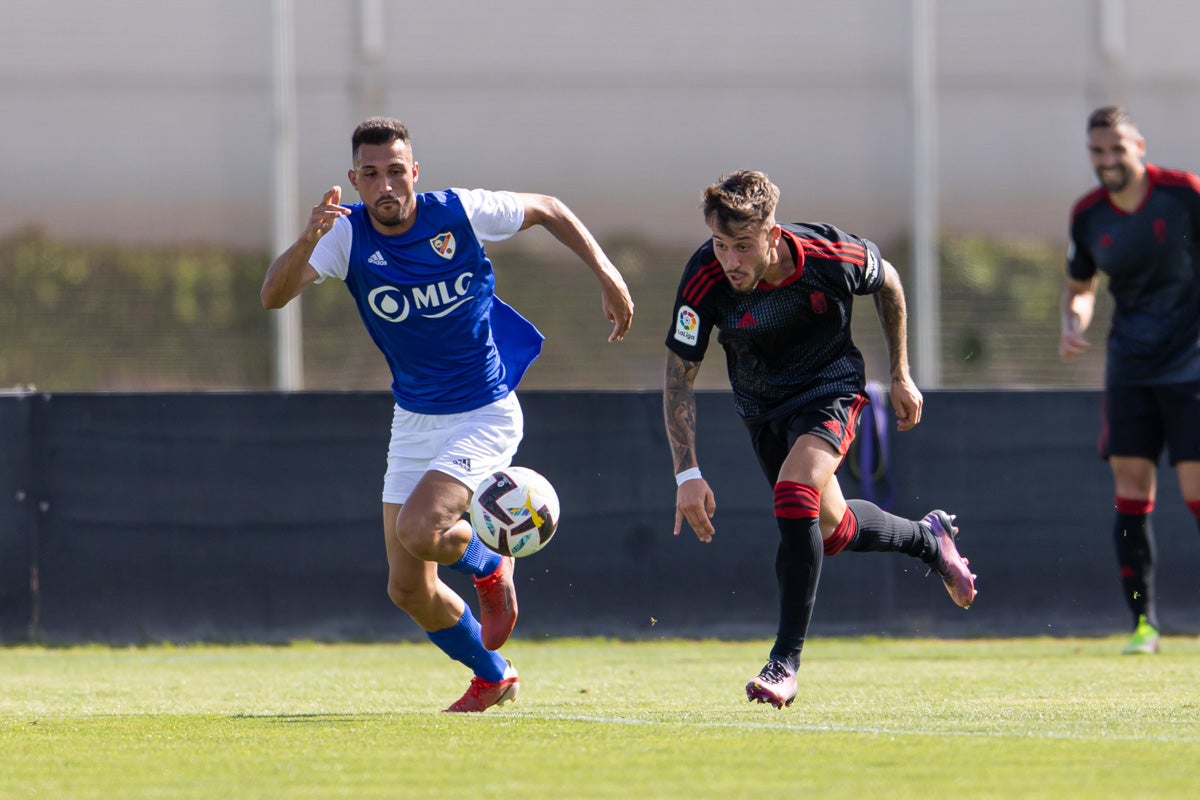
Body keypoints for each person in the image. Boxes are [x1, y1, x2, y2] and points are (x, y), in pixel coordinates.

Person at [262, 117, 634, 710]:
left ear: (415, 172)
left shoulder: (457, 212)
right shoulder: (345, 236)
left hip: (484, 411)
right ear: (354, 180)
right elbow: (273, 295)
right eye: (371, 174)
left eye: (395, 171)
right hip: (414, 419)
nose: (386, 185)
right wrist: (307, 238)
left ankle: (489, 567)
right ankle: (495, 675)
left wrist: (607, 272)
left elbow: (549, 207)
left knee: (420, 529)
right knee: (406, 587)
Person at [662, 170, 976, 709]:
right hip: (762, 409)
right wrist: (687, 473)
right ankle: (930, 539)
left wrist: (900, 373)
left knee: (793, 492)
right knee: (831, 529)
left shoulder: (830, 255)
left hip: (830, 390)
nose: (729, 260)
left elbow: (891, 283)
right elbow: (679, 377)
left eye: (742, 246)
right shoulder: (703, 280)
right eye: (719, 245)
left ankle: (784, 662)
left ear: (772, 233)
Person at [1060, 106, 1200, 655]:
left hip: (1192, 363)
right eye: (1098, 152)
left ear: (1138, 144)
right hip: (1131, 368)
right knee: (1131, 493)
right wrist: (1074, 321)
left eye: (1118, 148)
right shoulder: (1089, 214)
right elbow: (1081, 287)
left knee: (1194, 490)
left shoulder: (1182, 193)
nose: (1109, 161)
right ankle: (1145, 625)